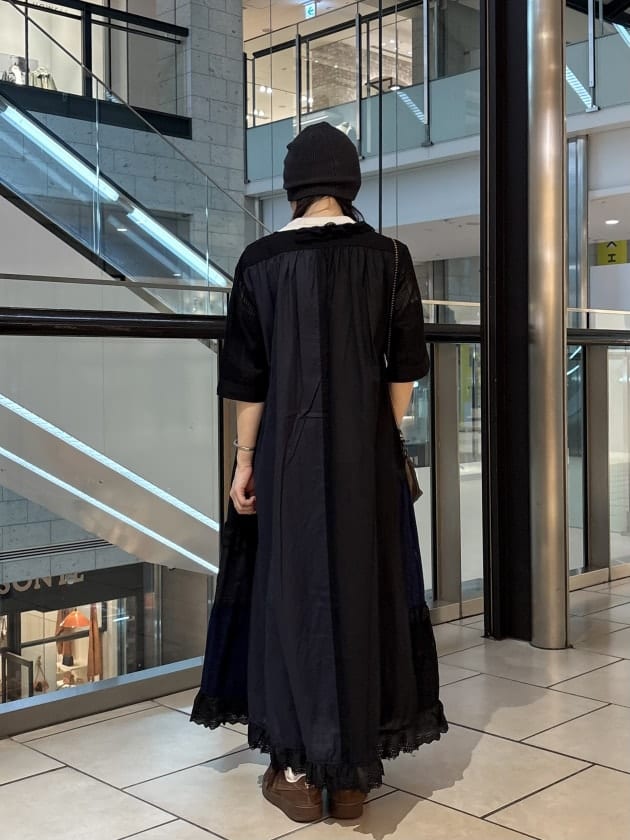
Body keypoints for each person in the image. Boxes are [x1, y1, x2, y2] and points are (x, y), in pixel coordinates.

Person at [191, 121, 448, 823]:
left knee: (292, 597)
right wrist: (379, 435)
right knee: (366, 589)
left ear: (293, 187)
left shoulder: (259, 261)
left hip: (286, 461)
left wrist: (245, 460)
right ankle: (354, 777)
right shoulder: (390, 257)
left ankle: (301, 771)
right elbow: (405, 371)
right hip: (367, 458)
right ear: (350, 184)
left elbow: (248, 380)